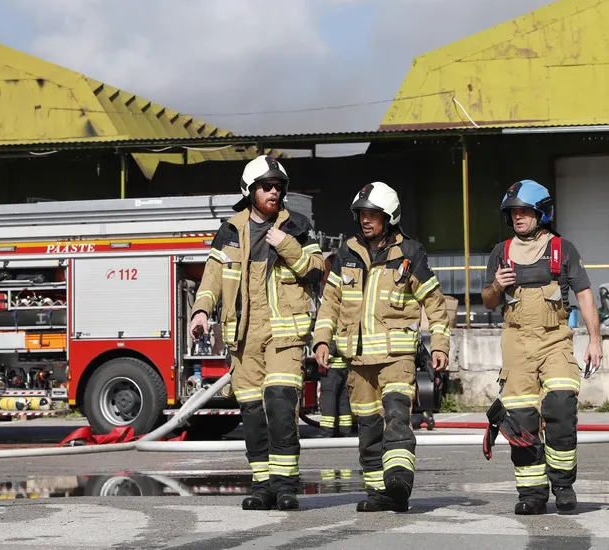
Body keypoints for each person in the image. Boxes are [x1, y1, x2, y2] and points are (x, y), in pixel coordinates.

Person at [189, 155, 325, 511]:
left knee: (281, 408)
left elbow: (315, 270)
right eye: (267, 186)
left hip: (284, 337)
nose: (274, 192)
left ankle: (285, 486)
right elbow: (212, 278)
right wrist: (201, 310)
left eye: (279, 187)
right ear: (250, 191)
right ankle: (262, 485)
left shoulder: (297, 225)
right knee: (252, 414)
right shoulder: (230, 230)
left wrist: (286, 243)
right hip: (244, 339)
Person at [311, 182, 451, 513]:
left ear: (389, 217)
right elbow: (330, 302)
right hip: (357, 360)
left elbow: (434, 301)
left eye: (373, 215)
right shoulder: (347, 252)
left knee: (397, 416)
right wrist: (321, 340)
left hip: (396, 357)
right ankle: (378, 492)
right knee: (369, 426)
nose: (365, 221)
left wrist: (440, 344)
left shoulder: (410, 253)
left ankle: (399, 484)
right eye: (362, 214)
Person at [481, 179, 603, 516]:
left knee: (562, 405)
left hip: (555, 340)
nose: (518, 217)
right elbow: (489, 302)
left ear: (542, 213)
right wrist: (495, 285)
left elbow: (585, 297)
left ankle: (563, 485)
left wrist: (595, 340)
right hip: (516, 343)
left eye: (524, 211)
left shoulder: (563, 250)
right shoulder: (500, 252)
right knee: (521, 420)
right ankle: (532, 494)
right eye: (513, 212)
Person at [317, 352, 354, 437]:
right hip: (344, 365)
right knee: (343, 397)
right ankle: (345, 429)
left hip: (330, 365)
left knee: (328, 397)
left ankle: (327, 430)